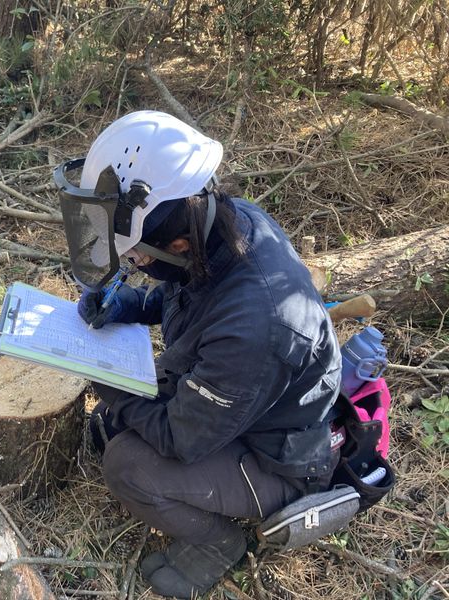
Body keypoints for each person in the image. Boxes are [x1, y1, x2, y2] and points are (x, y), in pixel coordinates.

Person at [54, 111, 341, 599]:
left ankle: (220, 544)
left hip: (278, 456)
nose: (136, 266)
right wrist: (131, 304)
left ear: (180, 242)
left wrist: (102, 376)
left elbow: (179, 439)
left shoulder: (255, 327)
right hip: (243, 399)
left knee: (128, 465)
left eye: (139, 258)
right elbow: (184, 291)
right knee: (116, 420)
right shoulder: (222, 226)